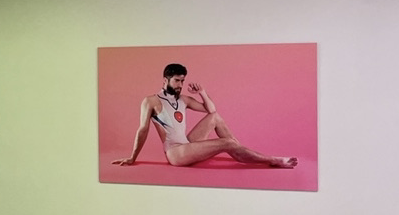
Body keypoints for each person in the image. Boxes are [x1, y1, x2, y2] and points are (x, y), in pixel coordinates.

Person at [113, 63, 297, 169]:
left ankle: (239, 151)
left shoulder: (183, 99)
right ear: (165, 80)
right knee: (229, 142)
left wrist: (202, 92)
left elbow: (211, 110)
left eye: (182, 81)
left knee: (215, 117)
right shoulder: (150, 101)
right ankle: (271, 160)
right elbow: (143, 130)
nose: (180, 85)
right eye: (176, 80)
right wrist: (132, 158)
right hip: (176, 153)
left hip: (187, 144)